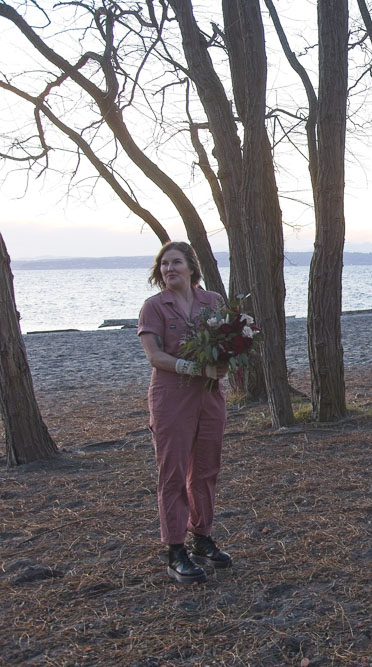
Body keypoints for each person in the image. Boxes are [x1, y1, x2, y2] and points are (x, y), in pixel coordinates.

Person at [138, 241, 232, 584]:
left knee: (206, 470)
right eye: (163, 264)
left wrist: (228, 358)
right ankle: (175, 550)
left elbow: (228, 340)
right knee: (173, 473)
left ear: (192, 267)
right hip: (171, 397)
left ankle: (201, 537)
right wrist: (198, 369)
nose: (169, 269)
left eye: (176, 262)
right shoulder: (154, 307)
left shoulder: (213, 302)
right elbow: (155, 356)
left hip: (209, 397)